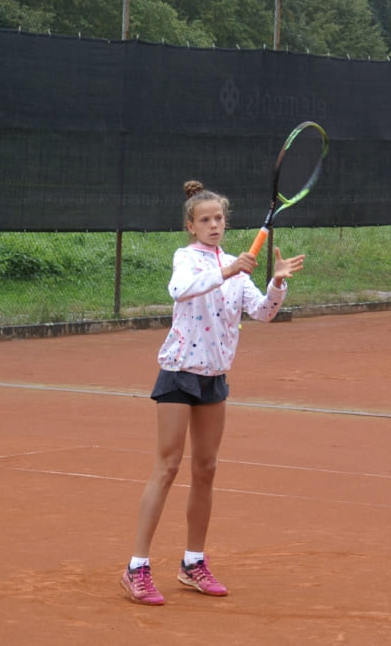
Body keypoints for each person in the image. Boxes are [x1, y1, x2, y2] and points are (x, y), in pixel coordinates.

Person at [121, 180, 306, 606]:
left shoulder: (236, 270)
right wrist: (227, 270)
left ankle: (192, 563)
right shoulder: (185, 259)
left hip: (215, 378)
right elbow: (179, 290)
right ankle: (137, 568)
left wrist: (276, 284)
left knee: (206, 469)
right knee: (167, 467)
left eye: (219, 218)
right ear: (191, 225)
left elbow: (262, 313)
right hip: (178, 374)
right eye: (205, 220)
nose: (214, 225)